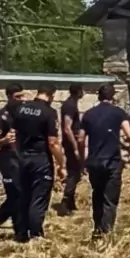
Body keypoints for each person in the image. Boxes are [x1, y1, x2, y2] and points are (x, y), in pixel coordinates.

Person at [77, 83, 130, 239]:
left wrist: (82, 158)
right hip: (112, 162)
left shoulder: (89, 114)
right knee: (110, 198)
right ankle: (106, 232)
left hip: (94, 162)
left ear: (99, 96)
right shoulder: (118, 113)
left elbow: (81, 138)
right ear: (113, 96)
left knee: (97, 195)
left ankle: (97, 228)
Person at [10, 84, 65, 242]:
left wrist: (18, 152)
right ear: (51, 95)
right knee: (38, 197)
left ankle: (20, 233)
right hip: (40, 159)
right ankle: (35, 234)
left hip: (22, 158)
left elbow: (13, 135)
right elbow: (53, 142)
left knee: (24, 196)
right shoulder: (49, 112)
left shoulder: (20, 109)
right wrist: (61, 164)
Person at [0, 83, 27, 230]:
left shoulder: (25, 113)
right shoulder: (2, 116)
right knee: (15, 194)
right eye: (18, 97)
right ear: (9, 97)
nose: (22, 99)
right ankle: (0, 222)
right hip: (8, 161)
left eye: (23, 96)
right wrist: (4, 140)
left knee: (21, 194)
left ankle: (16, 225)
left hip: (22, 159)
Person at [55, 83, 85, 215]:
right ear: (78, 91)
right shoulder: (70, 105)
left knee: (76, 173)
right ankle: (65, 204)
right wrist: (75, 148)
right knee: (74, 174)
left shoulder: (71, 104)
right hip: (71, 144)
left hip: (72, 143)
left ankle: (71, 203)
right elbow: (67, 128)